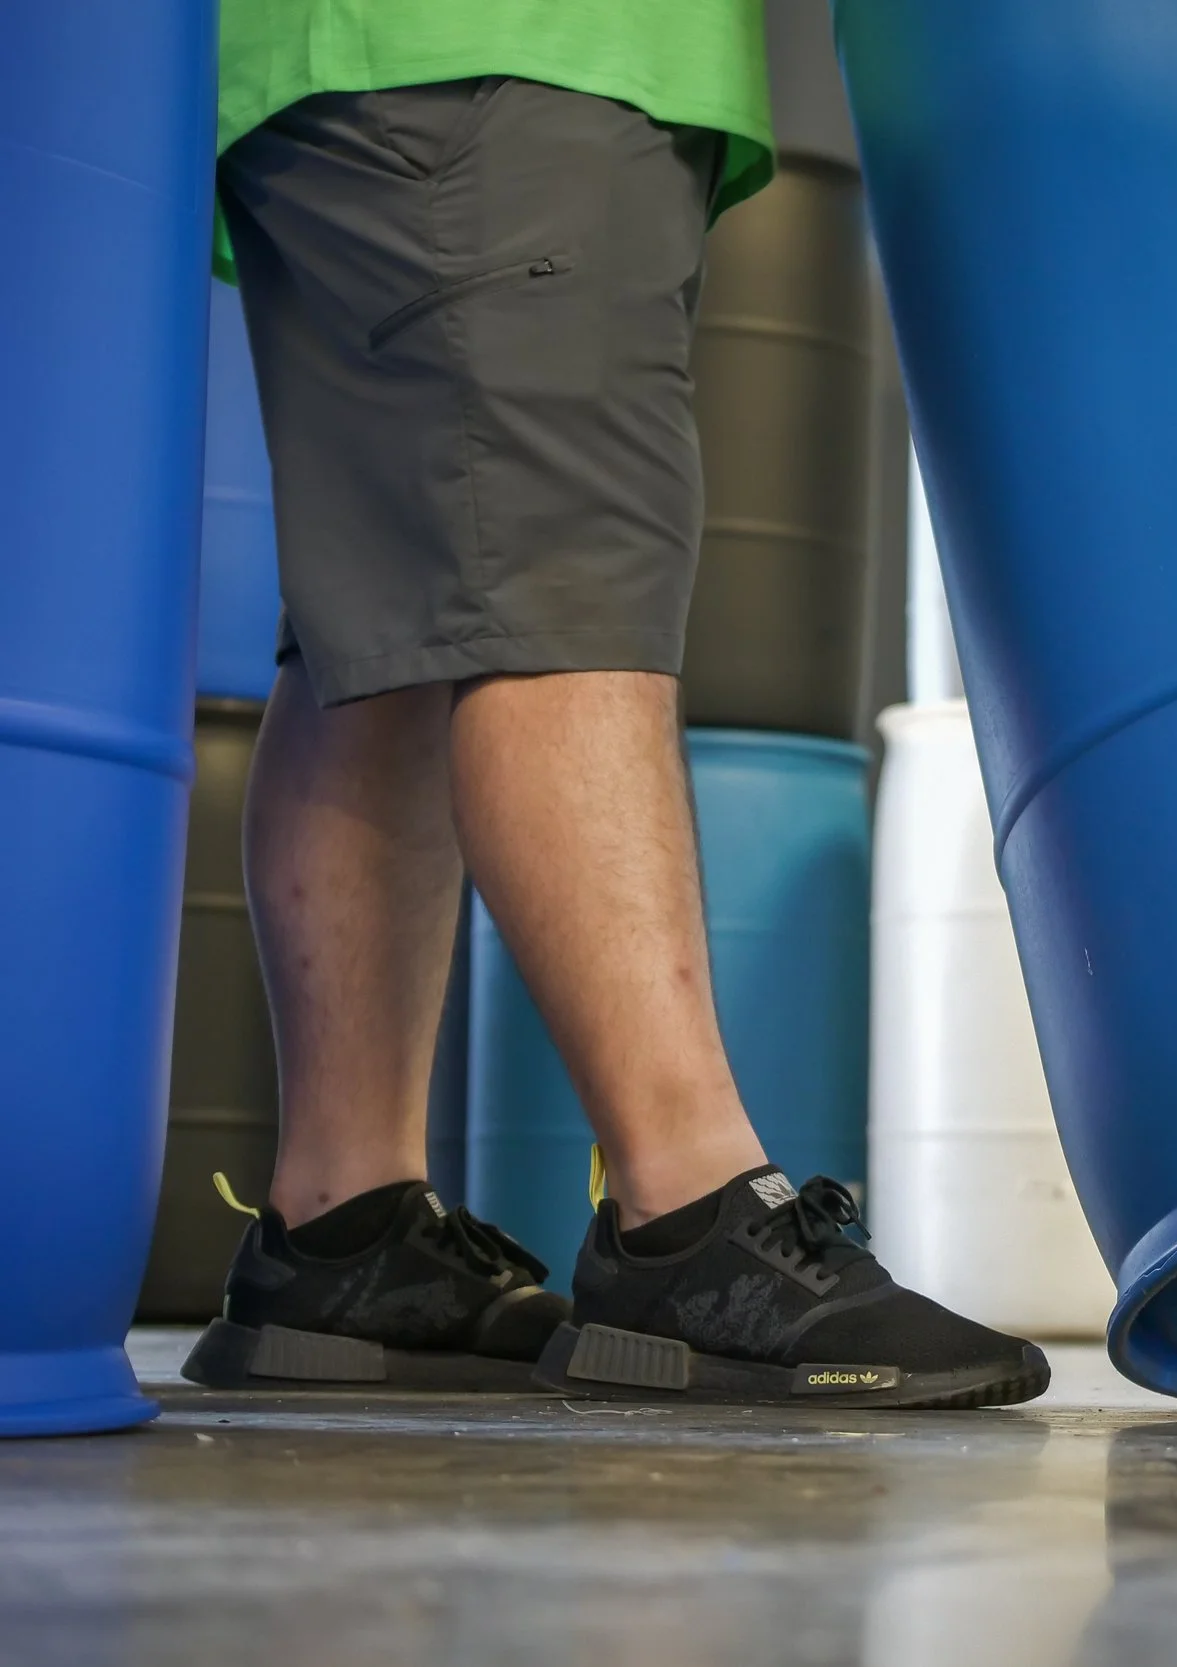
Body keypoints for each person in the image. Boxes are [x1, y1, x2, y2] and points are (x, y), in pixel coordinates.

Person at [180, 2, 1048, 1409]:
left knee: (391, 618)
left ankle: (341, 1231)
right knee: (558, 564)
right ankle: (686, 1215)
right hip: (510, 38)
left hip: (364, 59)